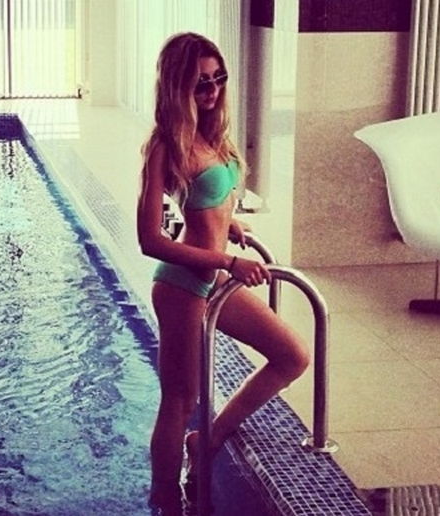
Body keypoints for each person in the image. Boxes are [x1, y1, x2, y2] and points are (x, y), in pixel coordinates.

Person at [136, 32, 310, 514]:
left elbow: (204, 201)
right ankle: (165, 499)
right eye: (200, 83)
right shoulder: (164, 146)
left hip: (211, 278)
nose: (212, 91)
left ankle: (207, 440)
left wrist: (226, 222)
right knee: (179, 399)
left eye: (218, 79)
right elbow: (150, 240)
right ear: (177, 86)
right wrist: (230, 261)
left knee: (292, 355)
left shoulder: (212, 134)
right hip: (182, 284)